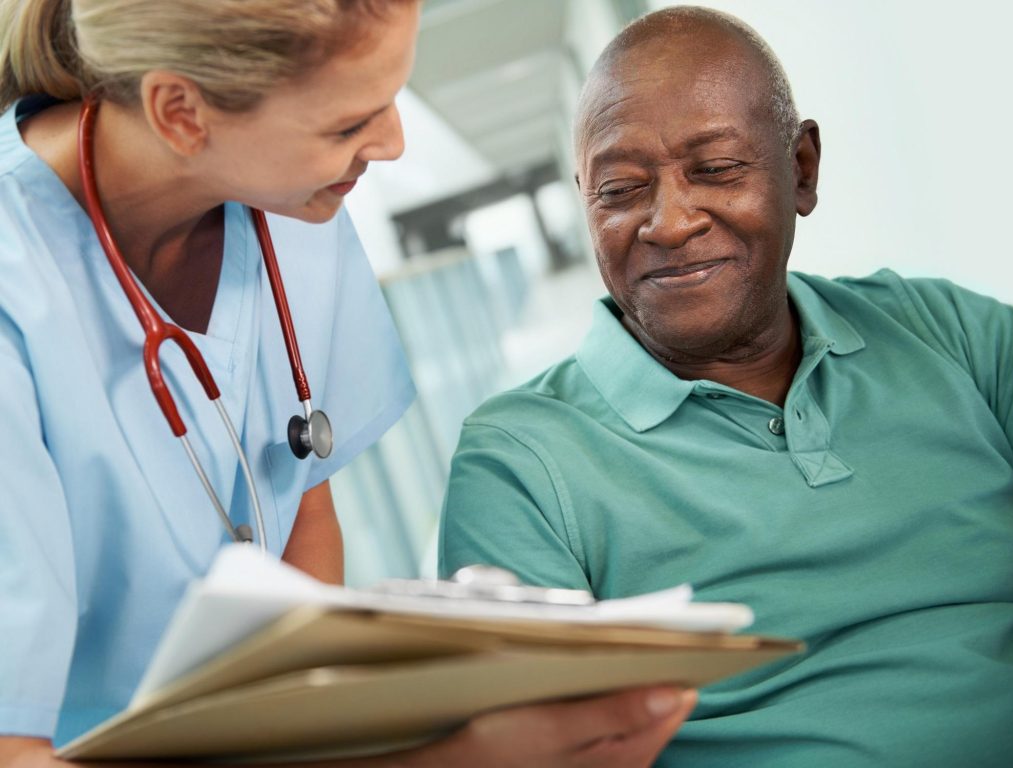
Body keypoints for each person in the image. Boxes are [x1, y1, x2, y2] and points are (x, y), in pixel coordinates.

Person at [0, 1, 699, 766]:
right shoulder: (17, 293)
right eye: (345, 126)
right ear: (181, 112)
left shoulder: (295, 209)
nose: (391, 143)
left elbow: (303, 503)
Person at [440, 5, 1013, 767]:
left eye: (715, 170)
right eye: (620, 189)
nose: (670, 221)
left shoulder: (955, 335)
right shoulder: (519, 464)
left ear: (802, 168)